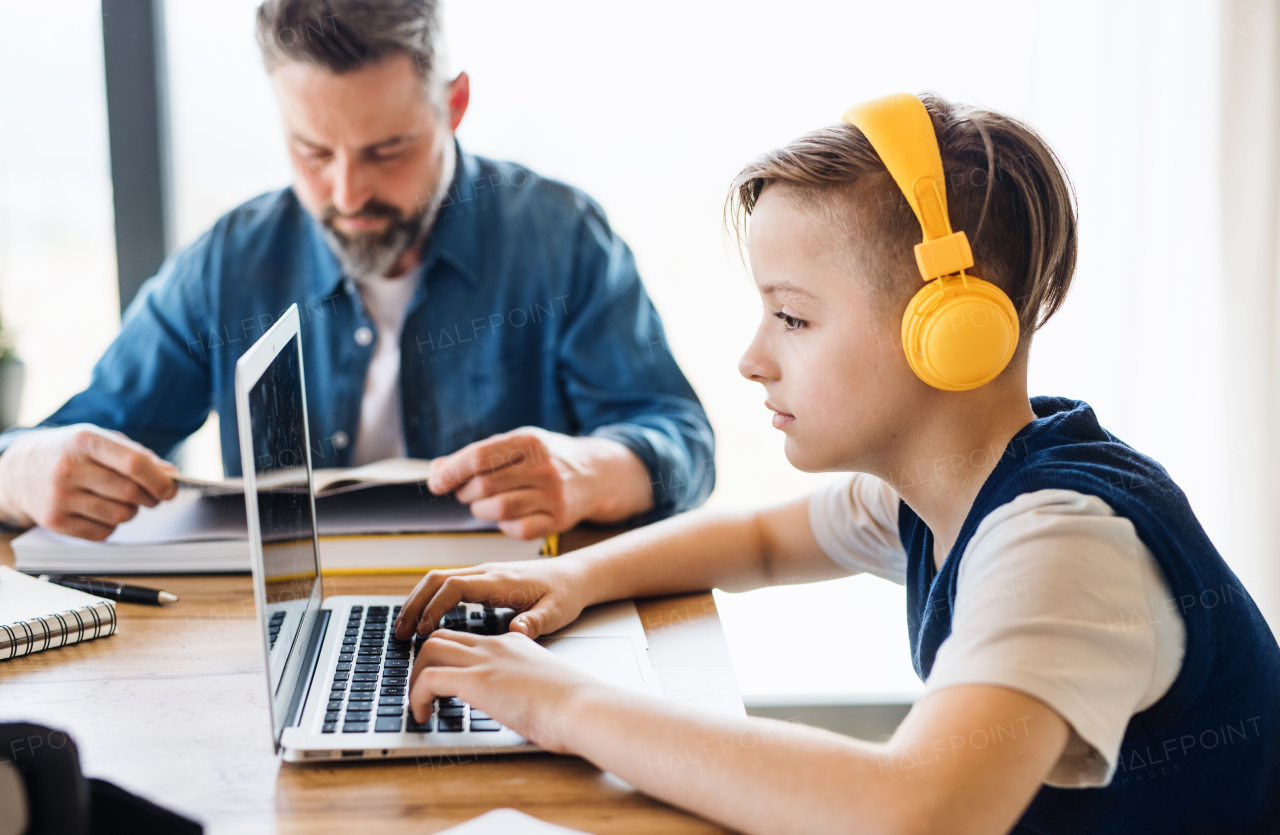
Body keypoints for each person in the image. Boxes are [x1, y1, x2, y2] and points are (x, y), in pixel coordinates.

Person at [391, 93, 1280, 833]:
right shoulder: (949, 486)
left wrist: (560, 703)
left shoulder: (1061, 544)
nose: (752, 357)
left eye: (793, 317)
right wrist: (571, 577)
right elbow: (760, 543)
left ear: (949, 336)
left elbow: (913, 812)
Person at [0, 0, 714, 543]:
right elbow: (74, 440)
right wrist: (19, 474)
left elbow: (683, 440)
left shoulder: (561, 239)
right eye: (313, 152)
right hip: (286, 645)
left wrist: (591, 472)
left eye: (386, 151)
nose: (346, 196)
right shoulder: (228, 265)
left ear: (454, 105)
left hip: (523, 630)